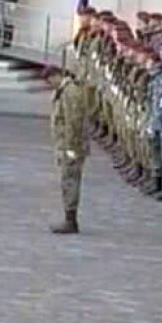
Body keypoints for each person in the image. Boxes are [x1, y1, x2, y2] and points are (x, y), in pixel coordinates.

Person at [48, 68, 89, 234]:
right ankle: (69, 216)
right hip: (65, 145)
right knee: (67, 180)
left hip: (71, 146)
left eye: (51, 80)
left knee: (70, 180)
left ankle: (70, 219)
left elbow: (74, 121)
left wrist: (72, 147)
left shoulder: (70, 92)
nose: (51, 84)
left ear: (57, 76)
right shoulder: (63, 91)